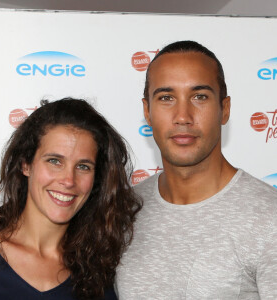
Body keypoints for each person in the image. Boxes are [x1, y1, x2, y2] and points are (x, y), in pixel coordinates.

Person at [115, 41, 277, 299]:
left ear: (224, 109)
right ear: (147, 111)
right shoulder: (124, 212)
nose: (183, 116)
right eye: (166, 98)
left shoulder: (270, 218)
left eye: (199, 96)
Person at [0, 98, 141, 299]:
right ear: (26, 164)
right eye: (54, 161)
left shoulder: (100, 275)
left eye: (83, 166)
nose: (69, 180)